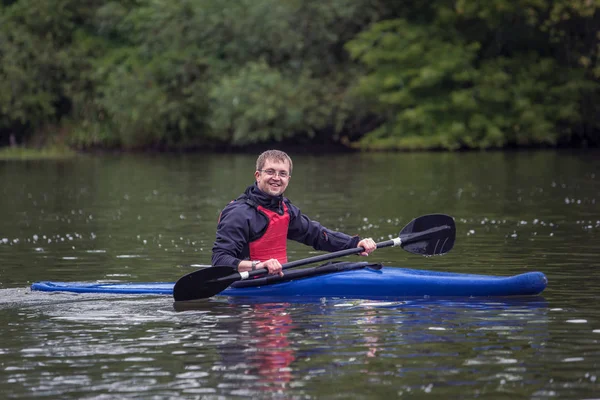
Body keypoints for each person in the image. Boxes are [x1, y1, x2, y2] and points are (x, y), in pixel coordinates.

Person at [211, 149, 377, 276]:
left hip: (278, 281)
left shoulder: (284, 209)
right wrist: (258, 266)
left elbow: (316, 234)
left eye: (282, 173)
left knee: (334, 267)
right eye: (270, 171)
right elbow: (220, 260)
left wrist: (354, 244)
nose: (276, 178)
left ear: (288, 180)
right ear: (257, 176)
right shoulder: (238, 213)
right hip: (248, 289)